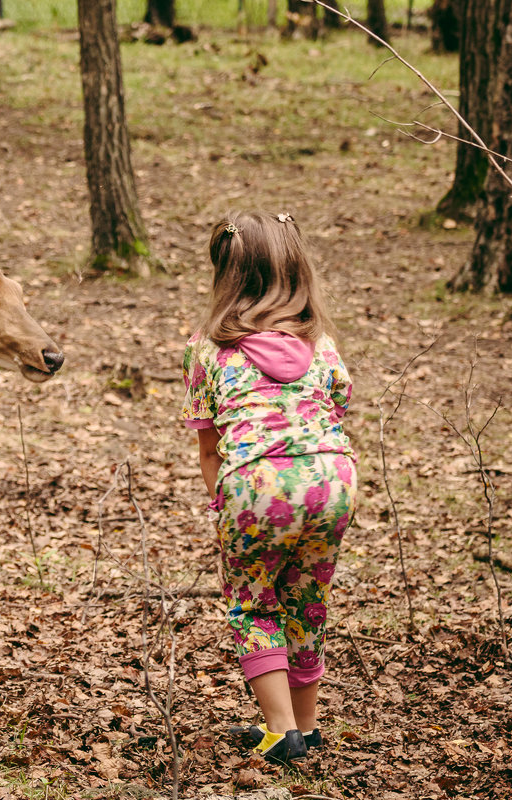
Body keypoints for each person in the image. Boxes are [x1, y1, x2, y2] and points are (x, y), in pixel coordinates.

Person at [180, 211, 357, 765]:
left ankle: (281, 731)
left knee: (254, 602)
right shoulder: (322, 343)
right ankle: (308, 725)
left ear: (226, 276)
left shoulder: (208, 349)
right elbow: (336, 407)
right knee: (306, 601)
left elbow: (210, 449)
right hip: (332, 481)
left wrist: (223, 504)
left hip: (257, 482)